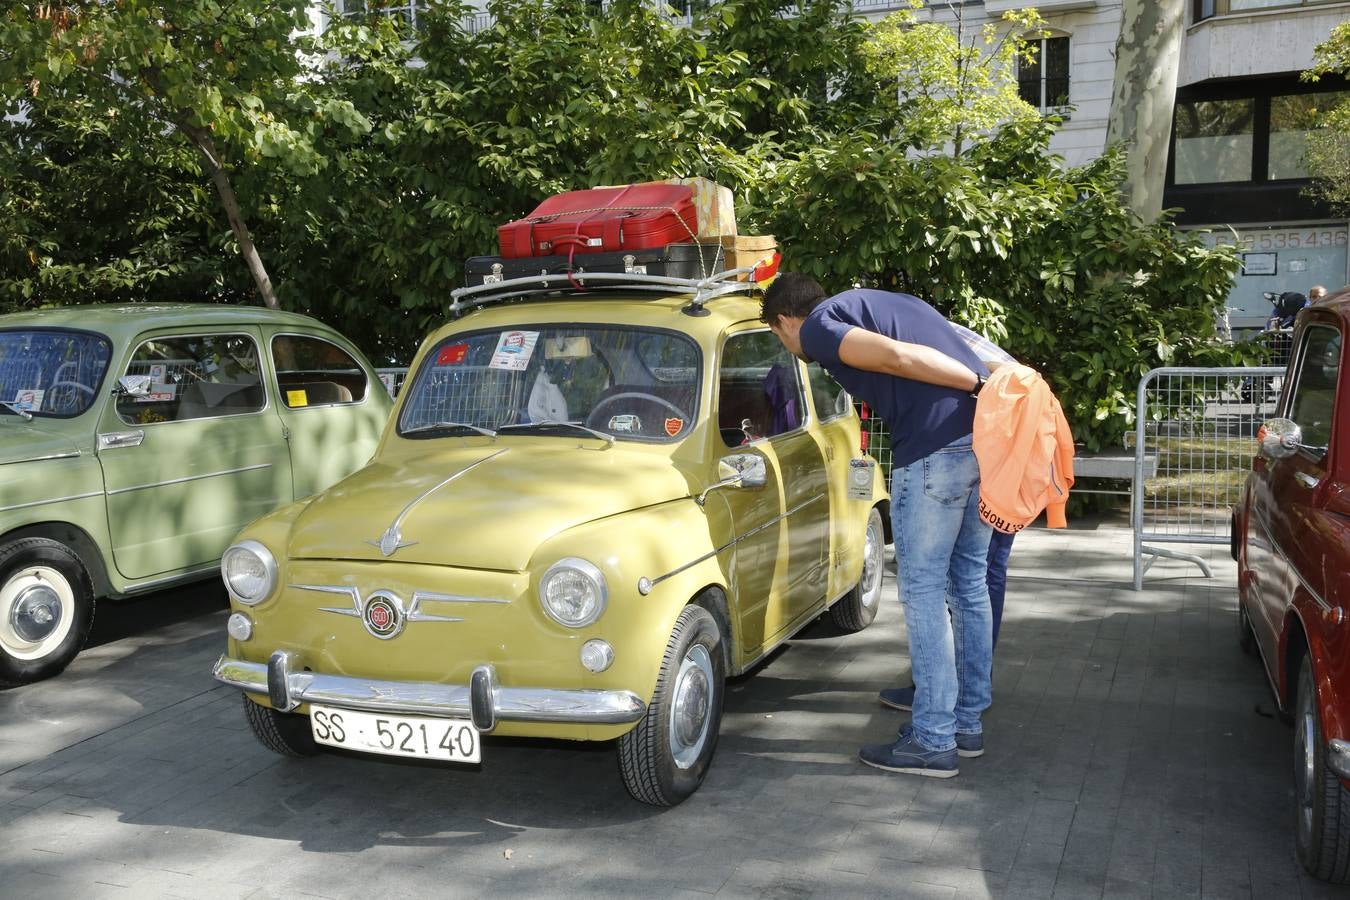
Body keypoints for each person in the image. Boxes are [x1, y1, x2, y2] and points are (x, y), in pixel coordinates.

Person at [761, 273, 991, 779]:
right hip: (982, 446)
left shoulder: (820, 325)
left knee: (925, 592)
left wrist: (979, 384)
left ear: (785, 321)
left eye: (780, 338)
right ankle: (966, 724)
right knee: (968, 585)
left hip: (934, 453)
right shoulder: (884, 301)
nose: (789, 347)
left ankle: (933, 740)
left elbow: (897, 359)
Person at [878, 323, 1017, 715]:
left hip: (994, 451)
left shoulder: (922, 340)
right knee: (973, 580)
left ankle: (950, 697)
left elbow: (989, 381)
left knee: (968, 579)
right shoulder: (934, 334)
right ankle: (963, 698)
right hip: (995, 452)